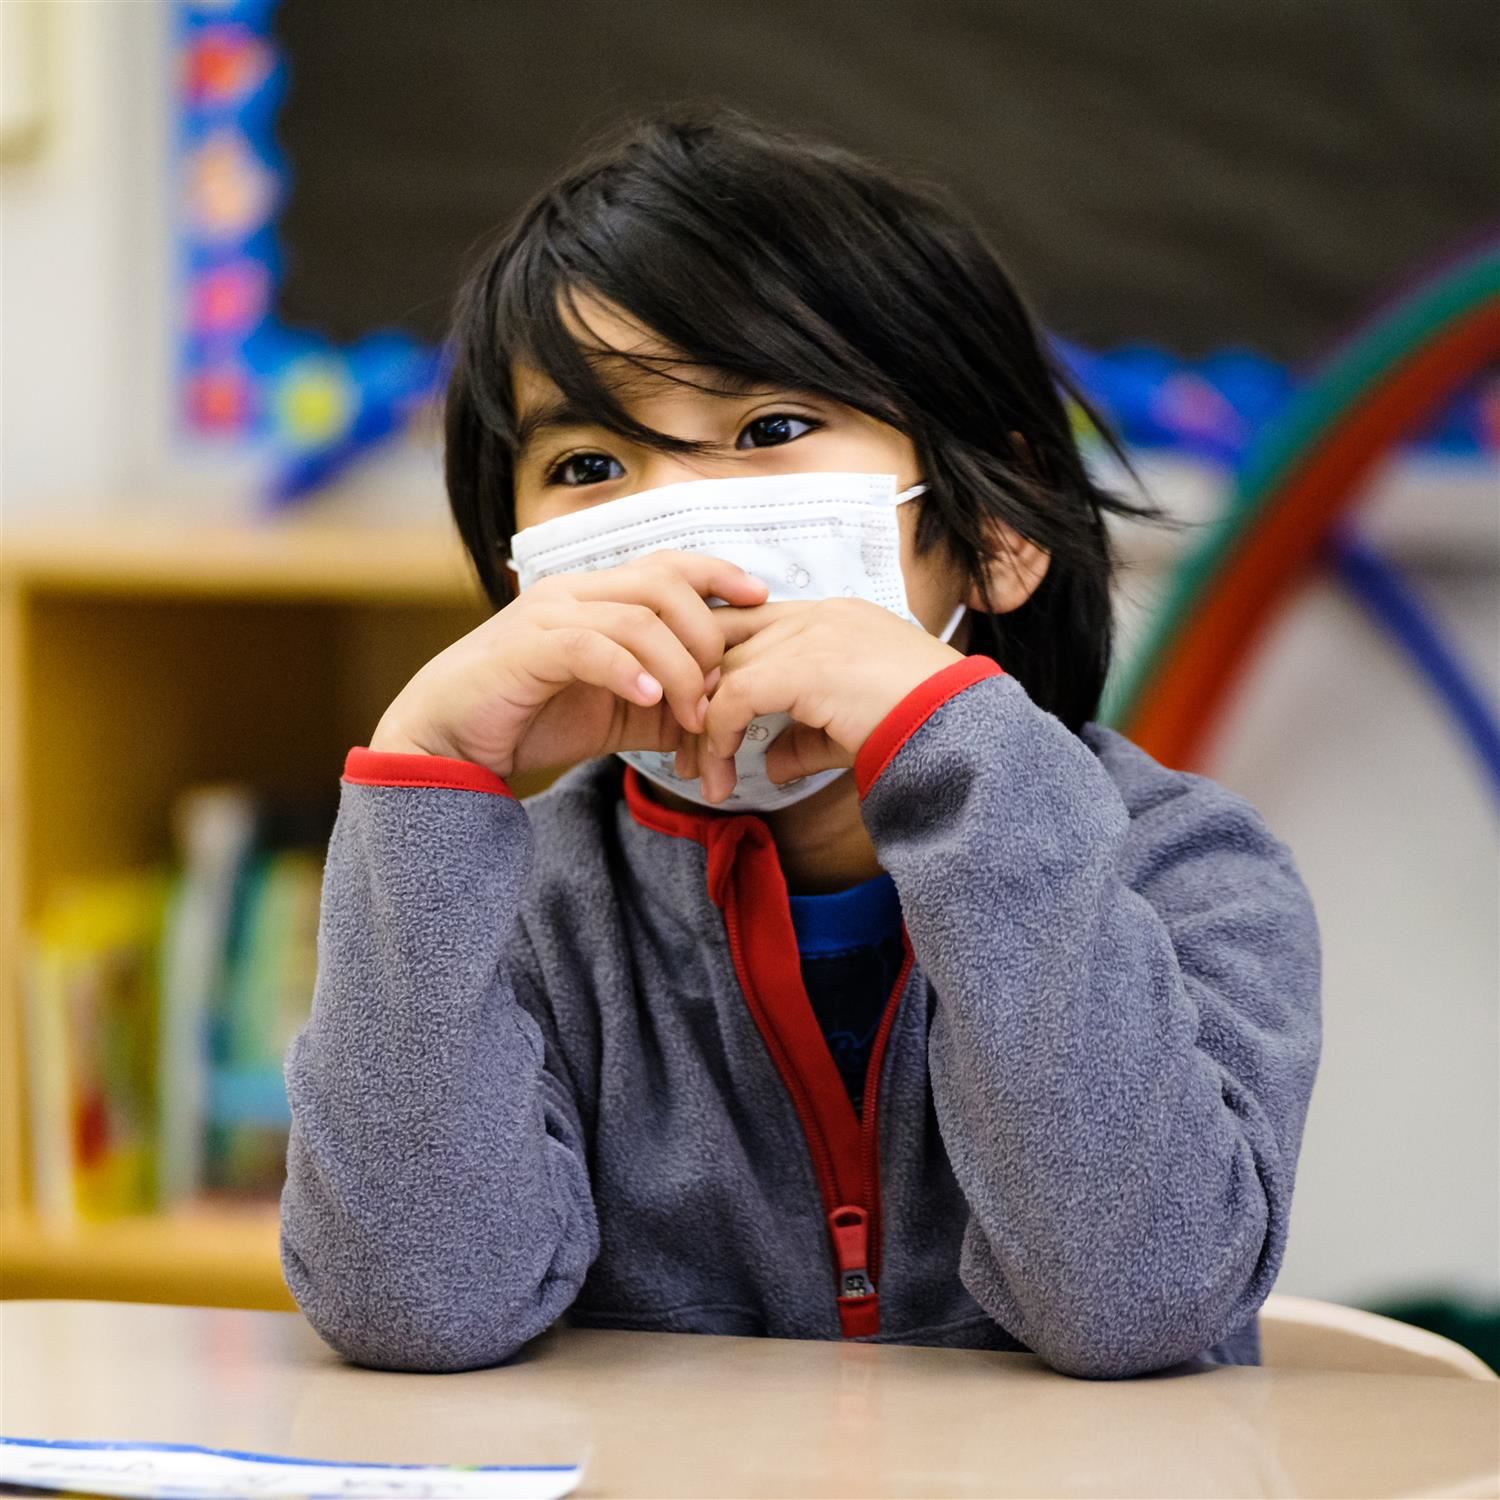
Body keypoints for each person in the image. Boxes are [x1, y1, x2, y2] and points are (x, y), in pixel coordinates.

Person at [279, 110, 1322, 1379]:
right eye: (591, 461)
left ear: (995, 528)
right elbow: (416, 1310)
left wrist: (951, 745)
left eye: (769, 429)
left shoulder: (1190, 870)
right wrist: (428, 775)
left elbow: (1137, 1302)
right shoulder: (522, 900)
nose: (672, 520)